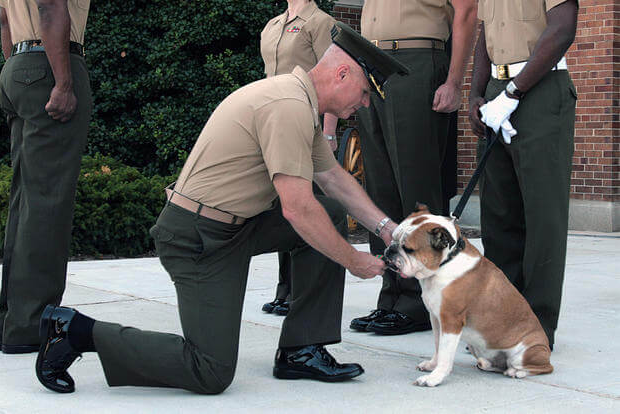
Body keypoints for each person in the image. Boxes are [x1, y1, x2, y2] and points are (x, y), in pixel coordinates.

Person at [35, 22, 409, 395]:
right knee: (210, 370)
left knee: (327, 212)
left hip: (236, 228)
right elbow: (297, 209)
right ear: (342, 73)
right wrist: (353, 261)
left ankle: (302, 349)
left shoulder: (298, 101)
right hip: (197, 239)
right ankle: (74, 331)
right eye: (364, 93)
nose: (363, 104)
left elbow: (332, 178)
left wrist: (388, 229)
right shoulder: (288, 106)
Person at [350, 0, 477, 335]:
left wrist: (454, 81)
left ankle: (419, 303)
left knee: (415, 184)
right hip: (372, 62)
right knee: (381, 187)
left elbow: (467, 11)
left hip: (417, 61)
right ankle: (391, 295)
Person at [468, 0, 579, 350]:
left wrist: (514, 92)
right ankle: (501, 325)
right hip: (497, 92)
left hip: (540, 89)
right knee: (499, 217)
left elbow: (562, 29)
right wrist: (476, 92)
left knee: (542, 217)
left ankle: (536, 332)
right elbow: (485, 38)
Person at [0, 0, 92, 354]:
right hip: (50, 61)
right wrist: (64, 82)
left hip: (20, 65)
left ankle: (11, 318)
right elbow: (51, 6)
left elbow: (5, 19)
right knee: (47, 203)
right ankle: (30, 324)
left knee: (25, 200)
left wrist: (17, 71)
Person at [259, 0, 339, 316]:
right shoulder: (273, 25)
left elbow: (334, 78)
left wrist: (330, 132)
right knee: (284, 207)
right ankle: (285, 289)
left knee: (310, 208)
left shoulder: (320, 23)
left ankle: (306, 292)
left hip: (308, 125)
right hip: (275, 126)